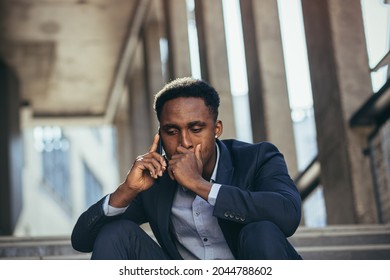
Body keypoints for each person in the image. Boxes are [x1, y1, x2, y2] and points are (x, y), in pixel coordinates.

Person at [71, 77, 302, 260]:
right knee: (117, 233)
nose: (185, 142)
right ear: (160, 136)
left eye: (196, 128)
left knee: (260, 232)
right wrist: (126, 191)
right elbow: (82, 240)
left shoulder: (257, 158)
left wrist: (199, 185)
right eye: (171, 132)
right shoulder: (155, 180)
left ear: (216, 128)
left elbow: (287, 215)